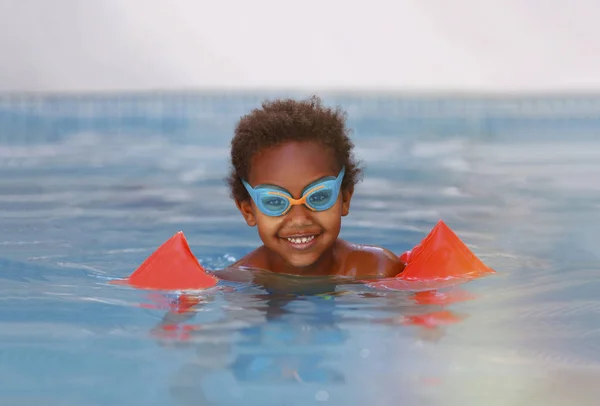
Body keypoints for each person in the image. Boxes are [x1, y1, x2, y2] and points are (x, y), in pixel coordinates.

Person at [225, 95, 405, 279]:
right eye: (274, 201)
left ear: (344, 198)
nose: (299, 219)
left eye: (318, 196)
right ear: (248, 211)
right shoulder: (236, 282)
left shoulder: (375, 270)